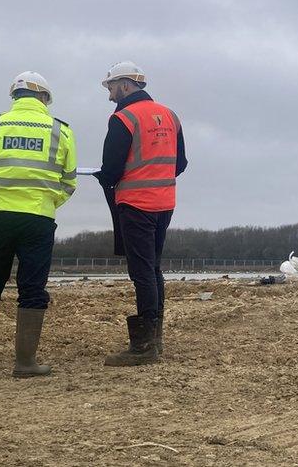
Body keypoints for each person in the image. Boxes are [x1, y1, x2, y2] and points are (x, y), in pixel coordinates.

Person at [0, 72, 77, 378]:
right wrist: (46, 203)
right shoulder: (60, 131)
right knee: (32, 289)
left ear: (14, 96)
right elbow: (69, 181)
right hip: (39, 219)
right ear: (43, 98)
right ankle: (25, 363)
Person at [94, 61, 187, 367]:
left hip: (135, 204)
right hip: (165, 202)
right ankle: (155, 338)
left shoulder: (123, 117)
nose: (109, 92)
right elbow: (181, 163)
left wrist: (105, 177)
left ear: (124, 85)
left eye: (110, 86)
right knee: (154, 268)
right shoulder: (170, 115)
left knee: (142, 272)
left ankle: (144, 346)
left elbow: (111, 168)